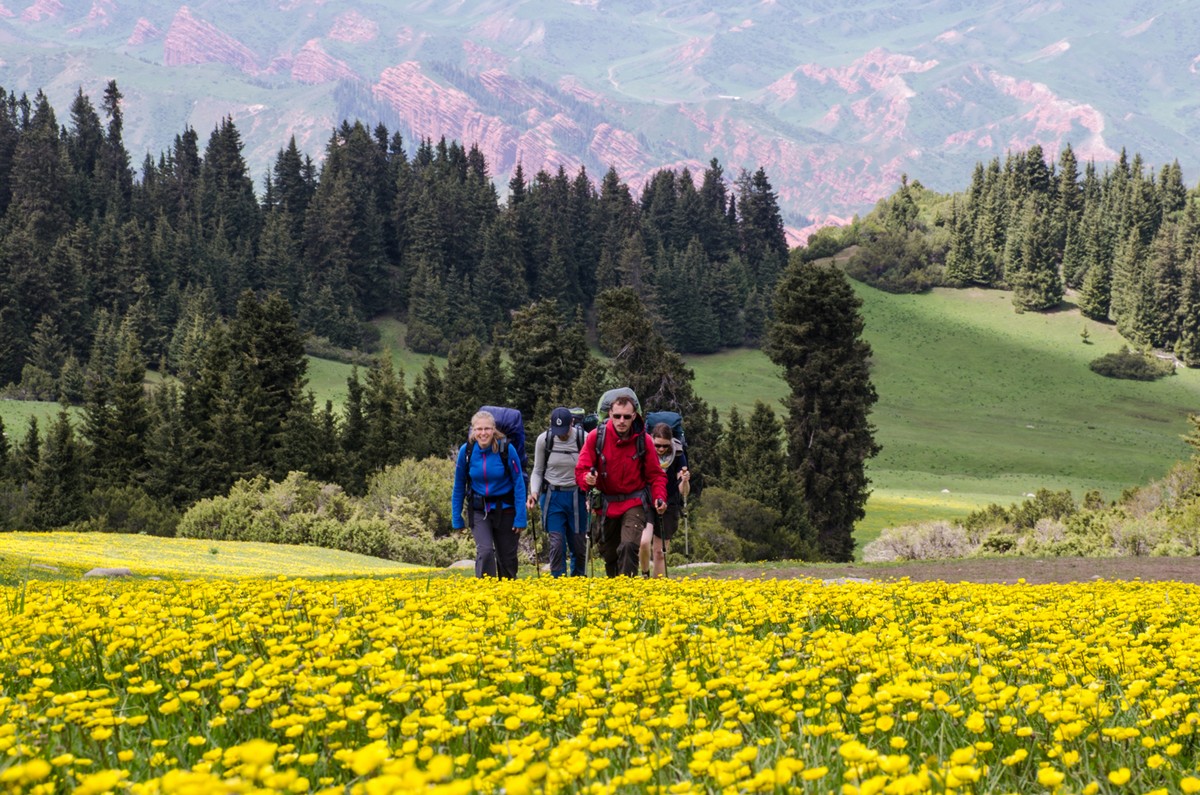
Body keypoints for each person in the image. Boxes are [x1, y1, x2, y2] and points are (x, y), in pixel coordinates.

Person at [576, 394, 667, 577]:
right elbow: (581, 469)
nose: (621, 421)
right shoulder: (596, 437)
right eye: (617, 416)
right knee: (610, 555)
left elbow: (656, 475)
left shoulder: (644, 440)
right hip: (606, 504)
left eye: (626, 416)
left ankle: (627, 589)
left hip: (634, 501)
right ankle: (615, 589)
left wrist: (659, 497)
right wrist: (587, 479)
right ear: (610, 414)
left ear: (634, 416)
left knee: (628, 546)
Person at [451, 409, 527, 578]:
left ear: (494, 429)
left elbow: (519, 483)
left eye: (487, 428)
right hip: (479, 510)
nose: (483, 433)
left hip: (506, 509)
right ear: (473, 430)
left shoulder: (506, 449)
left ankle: (508, 591)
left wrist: (521, 517)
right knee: (485, 552)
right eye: (479, 429)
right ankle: (486, 591)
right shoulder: (467, 451)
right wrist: (456, 517)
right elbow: (459, 485)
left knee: (507, 560)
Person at [528, 407, 589, 577]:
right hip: (552, 496)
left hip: (577, 495)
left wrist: (591, 493)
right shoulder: (544, 440)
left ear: (572, 423)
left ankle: (578, 580)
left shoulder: (583, 439)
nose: (561, 435)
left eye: (564, 431)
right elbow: (538, 470)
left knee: (578, 544)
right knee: (557, 543)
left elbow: (591, 467)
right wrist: (534, 493)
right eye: (557, 430)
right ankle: (558, 580)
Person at [644, 423, 691, 577]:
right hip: (646, 500)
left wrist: (685, 481)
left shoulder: (678, 454)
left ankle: (658, 585)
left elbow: (683, 491)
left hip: (669, 503)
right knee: (643, 544)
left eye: (665, 446)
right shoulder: (644, 451)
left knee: (660, 552)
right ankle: (644, 577)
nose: (661, 449)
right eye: (657, 445)